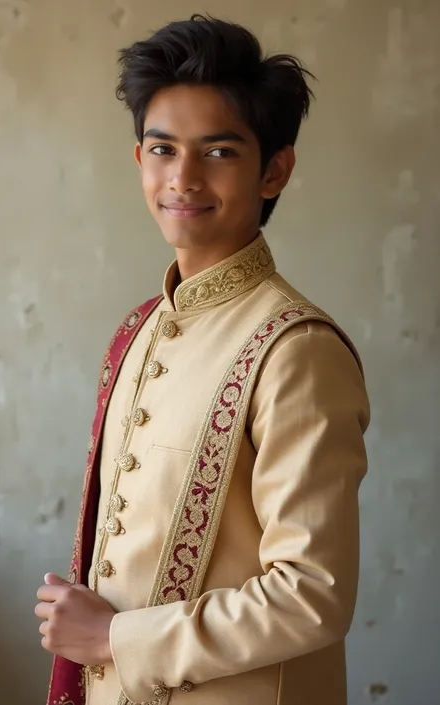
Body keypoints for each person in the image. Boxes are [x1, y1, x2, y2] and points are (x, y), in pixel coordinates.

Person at [36, 14, 370, 705]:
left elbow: (314, 593)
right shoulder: (138, 330)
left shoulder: (294, 347)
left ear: (273, 169)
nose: (182, 176)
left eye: (218, 152)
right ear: (139, 162)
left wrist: (113, 640)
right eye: (162, 149)